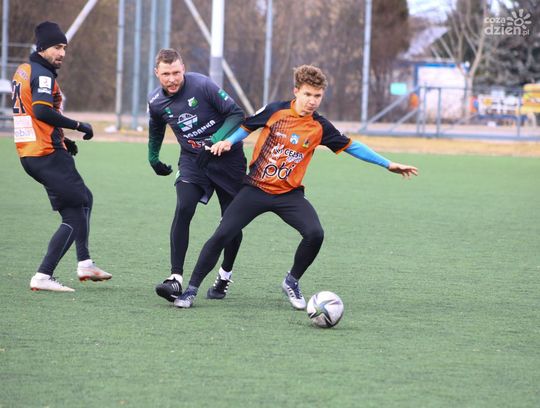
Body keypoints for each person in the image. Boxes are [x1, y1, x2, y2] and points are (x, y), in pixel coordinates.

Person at [174, 65, 418, 309]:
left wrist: (388, 164)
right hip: (255, 189)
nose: (312, 101)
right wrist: (227, 142)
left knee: (315, 234)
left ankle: (291, 281)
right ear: (296, 91)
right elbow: (246, 127)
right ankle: (191, 291)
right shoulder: (275, 111)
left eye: (317, 96)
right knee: (222, 235)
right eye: (308, 94)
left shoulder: (320, 126)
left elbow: (352, 146)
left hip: (288, 195)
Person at [12, 21, 111, 292]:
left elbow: (31, 115)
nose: (62, 53)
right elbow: (42, 111)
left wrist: (61, 138)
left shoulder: (24, 70)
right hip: (46, 154)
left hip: (32, 152)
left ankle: (85, 263)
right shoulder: (43, 75)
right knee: (75, 214)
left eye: (65, 48)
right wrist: (79, 126)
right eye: (57, 47)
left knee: (85, 198)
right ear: (42, 47)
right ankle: (43, 275)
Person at [147, 48, 247, 303]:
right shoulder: (155, 101)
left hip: (228, 159)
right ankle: (175, 279)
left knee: (231, 221)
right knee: (184, 207)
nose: (172, 79)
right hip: (193, 161)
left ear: (183, 68)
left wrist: (213, 141)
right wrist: (153, 158)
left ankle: (224, 275)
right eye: (166, 74)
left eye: (176, 72)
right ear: (157, 73)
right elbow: (156, 128)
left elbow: (237, 114)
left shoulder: (202, 85)